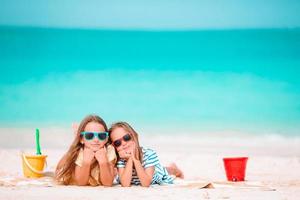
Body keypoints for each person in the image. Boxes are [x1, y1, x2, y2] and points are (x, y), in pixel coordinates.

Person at [109, 121, 184, 187]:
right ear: (114, 147)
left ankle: (176, 169)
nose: (124, 143)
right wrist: (130, 159)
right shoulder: (121, 160)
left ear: (134, 136)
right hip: (142, 170)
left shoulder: (149, 154)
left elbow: (146, 183)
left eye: (126, 137)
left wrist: (135, 159)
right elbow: (125, 184)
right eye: (117, 143)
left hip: (155, 173)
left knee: (166, 170)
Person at [55, 115, 116, 186]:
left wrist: (103, 162)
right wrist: (86, 162)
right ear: (82, 139)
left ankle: (81, 134)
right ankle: (77, 135)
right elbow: (81, 183)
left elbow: (108, 183)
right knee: (73, 150)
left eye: (101, 136)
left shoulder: (109, 150)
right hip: (68, 176)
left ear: (106, 139)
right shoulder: (80, 152)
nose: (96, 140)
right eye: (89, 136)